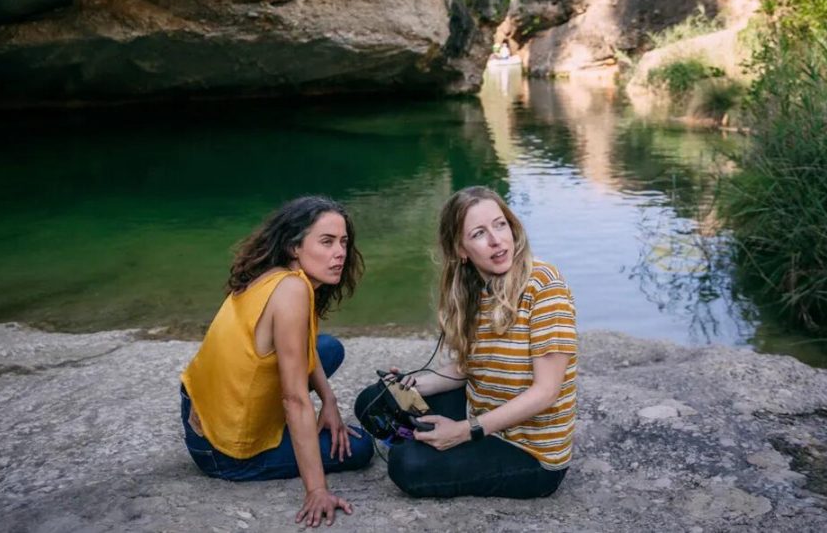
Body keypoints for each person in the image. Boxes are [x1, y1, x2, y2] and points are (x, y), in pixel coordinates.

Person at [356, 186, 577, 498]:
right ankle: (426, 440)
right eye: (479, 233)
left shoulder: (544, 286)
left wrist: (463, 431)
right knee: (375, 399)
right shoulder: (473, 290)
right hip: (479, 411)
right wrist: (415, 384)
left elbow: (546, 392)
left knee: (406, 465)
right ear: (461, 250)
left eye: (500, 225)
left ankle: (423, 445)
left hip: (529, 451)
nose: (496, 240)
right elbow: (468, 368)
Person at [180, 196, 373, 527]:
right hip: (221, 450)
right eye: (326, 242)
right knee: (361, 447)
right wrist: (317, 490)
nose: (340, 252)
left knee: (329, 348)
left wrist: (328, 400)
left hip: (199, 409)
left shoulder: (277, 274)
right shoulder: (292, 291)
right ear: (294, 246)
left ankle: (279, 426)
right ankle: (263, 445)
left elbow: (306, 346)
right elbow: (294, 399)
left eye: (343, 242)